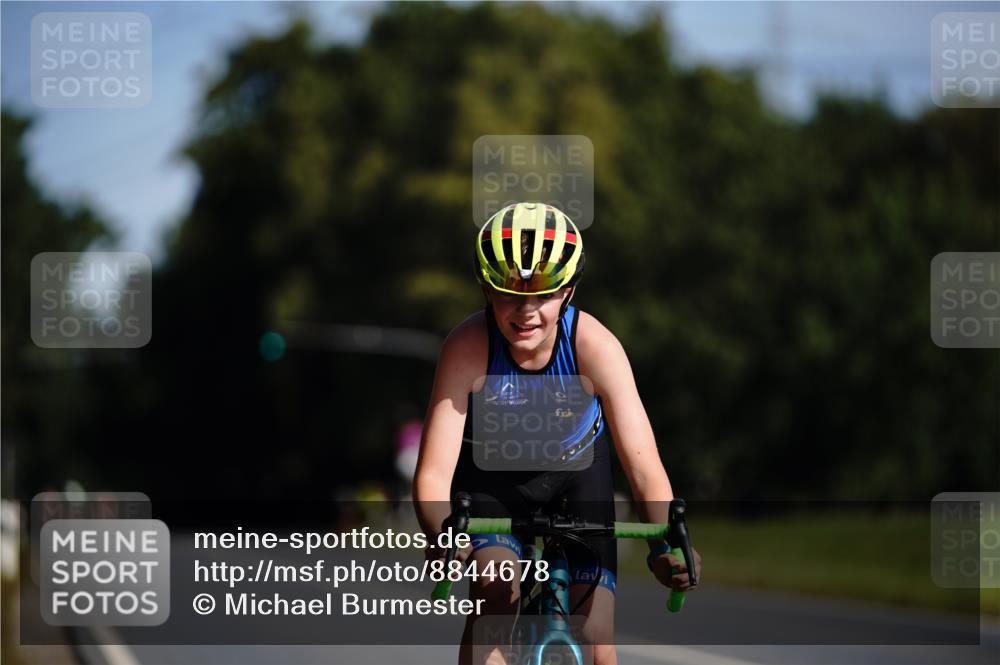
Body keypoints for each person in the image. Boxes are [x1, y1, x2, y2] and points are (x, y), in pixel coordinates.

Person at [414, 202, 701, 665]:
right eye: (508, 293)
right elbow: (433, 473)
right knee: (495, 598)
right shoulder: (467, 347)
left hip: (577, 477)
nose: (526, 312)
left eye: (543, 295)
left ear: (568, 291)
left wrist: (667, 545)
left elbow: (645, 465)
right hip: (495, 485)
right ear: (487, 291)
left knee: (597, 636)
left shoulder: (596, 346)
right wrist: (443, 535)